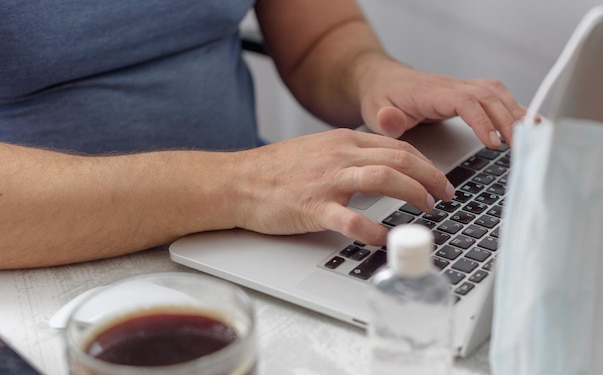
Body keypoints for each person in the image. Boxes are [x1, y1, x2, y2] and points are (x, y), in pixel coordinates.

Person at [0, 0, 525, 270]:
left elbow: (320, 35)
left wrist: (375, 76)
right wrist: (240, 183)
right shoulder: (241, 186)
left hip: (244, 232)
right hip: (44, 266)